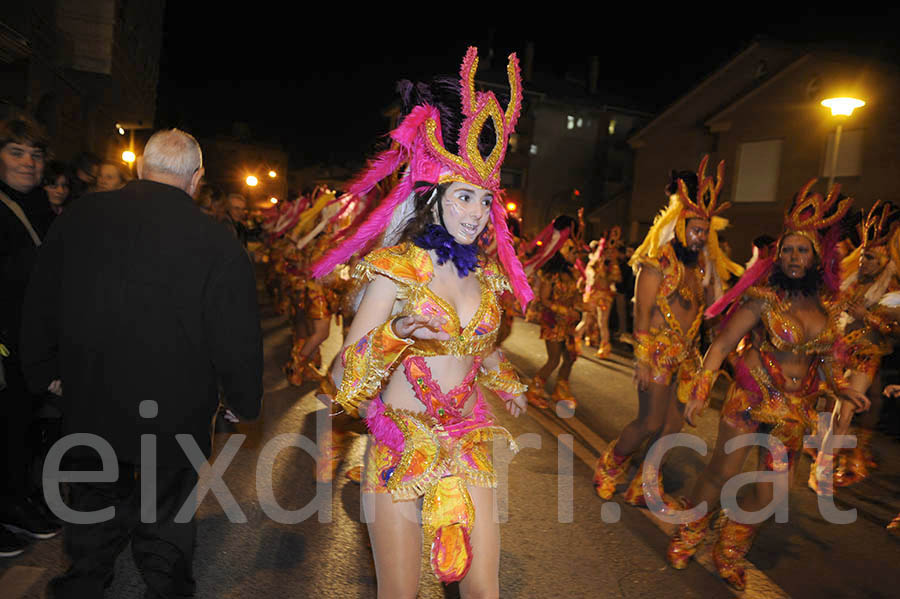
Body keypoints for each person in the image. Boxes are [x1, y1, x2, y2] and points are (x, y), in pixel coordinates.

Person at [311, 47, 531, 597]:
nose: (476, 213)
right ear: (433, 198)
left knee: (485, 590)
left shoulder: (483, 275)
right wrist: (393, 336)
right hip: (399, 449)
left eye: (485, 200)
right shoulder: (398, 267)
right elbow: (343, 377)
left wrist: (502, 375)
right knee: (399, 593)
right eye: (463, 196)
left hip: (467, 442)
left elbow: (473, 346)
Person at [20, 129, 263, 596]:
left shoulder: (80, 216)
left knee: (92, 498)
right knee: (167, 510)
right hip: (175, 407)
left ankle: (84, 582)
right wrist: (242, 400)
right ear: (196, 178)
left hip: (91, 394)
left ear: (138, 169)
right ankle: (165, 585)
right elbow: (235, 333)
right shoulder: (217, 242)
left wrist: (42, 369)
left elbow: (42, 298)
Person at [667, 180, 870, 590]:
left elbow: (828, 359)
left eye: (803, 250)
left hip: (794, 410)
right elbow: (723, 344)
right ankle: (691, 530)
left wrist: (842, 387)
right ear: (779, 254)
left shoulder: (827, 308)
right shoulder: (763, 298)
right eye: (789, 249)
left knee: (773, 491)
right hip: (752, 396)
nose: (795, 257)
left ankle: (729, 547)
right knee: (722, 471)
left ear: (817, 257)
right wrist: (701, 390)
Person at [593, 158, 742, 508]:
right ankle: (611, 464)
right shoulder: (657, 261)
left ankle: (644, 482)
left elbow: (711, 316)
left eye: (705, 230)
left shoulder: (704, 268)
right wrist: (642, 358)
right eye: (694, 228)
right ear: (679, 224)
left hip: (687, 356)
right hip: (657, 352)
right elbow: (641, 311)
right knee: (649, 421)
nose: (699, 236)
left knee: (671, 428)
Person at [0, 116, 60, 558]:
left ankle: (14, 499)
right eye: (15, 152)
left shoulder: (40, 206)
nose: (27, 162)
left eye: (35, 155)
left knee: (17, 427)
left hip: (26, 341)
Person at [809, 201, 900, 493]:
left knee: (844, 412)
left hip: (865, 356)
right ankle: (826, 447)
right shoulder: (850, 281)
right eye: (862, 256)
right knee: (822, 404)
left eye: (870, 258)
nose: (863, 263)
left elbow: (894, 330)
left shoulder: (894, 291)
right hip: (836, 353)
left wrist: (868, 317)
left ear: (885, 260)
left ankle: (822, 467)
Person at [522, 215, 583, 412]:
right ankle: (534, 390)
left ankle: (561, 390)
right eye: (572, 250)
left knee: (570, 357)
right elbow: (545, 300)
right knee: (554, 359)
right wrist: (564, 310)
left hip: (569, 324)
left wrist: (582, 307)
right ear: (561, 250)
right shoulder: (550, 274)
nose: (576, 254)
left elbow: (575, 297)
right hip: (554, 323)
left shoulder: (572, 274)